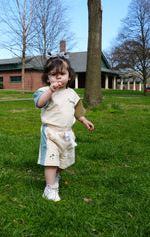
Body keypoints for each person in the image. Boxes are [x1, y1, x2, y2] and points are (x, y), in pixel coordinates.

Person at [33, 52, 94, 202]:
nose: (58, 77)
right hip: (50, 133)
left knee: (63, 161)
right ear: (48, 78)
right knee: (51, 160)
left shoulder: (72, 94)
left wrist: (84, 120)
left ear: (69, 76)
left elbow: (77, 110)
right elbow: (39, 103)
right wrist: (50, 91)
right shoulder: (44, 92)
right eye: (53, 74)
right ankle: (50, 189)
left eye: (62, 73)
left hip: (67, 134)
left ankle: (56, 175)